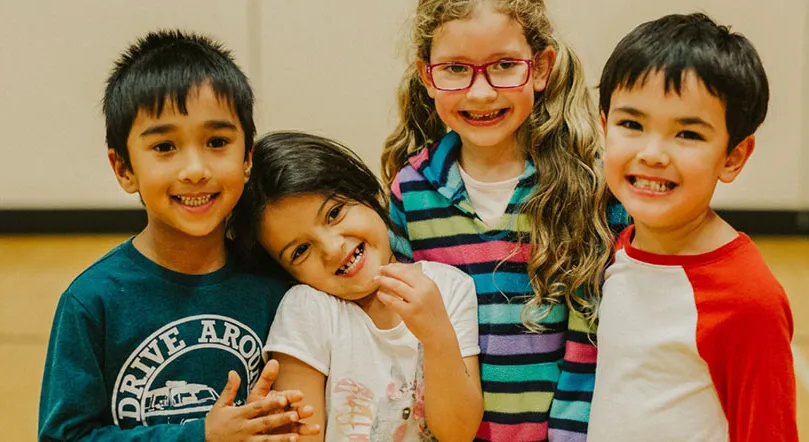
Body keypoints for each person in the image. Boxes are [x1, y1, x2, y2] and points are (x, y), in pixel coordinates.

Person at [38, 30, 318, 441]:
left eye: (217, 142)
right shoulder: (91, 302)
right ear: (124, 169)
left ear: (248, 157)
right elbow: (65, 437)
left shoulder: (278, 281)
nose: (195, 169)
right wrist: (200, 436)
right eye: (165, 147)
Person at [381, 1, 624, 440]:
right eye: (455, 68)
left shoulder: (583, 187)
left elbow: (589, 348)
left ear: (541, 67)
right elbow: (408, 342)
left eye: (505, 65)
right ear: (426, 75)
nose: (481, 93)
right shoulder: (410, 193)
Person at [587, 13, 797, 441]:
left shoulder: (746, 297)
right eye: (632, 124)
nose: (653, 153)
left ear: (733, 157)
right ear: (604, 127)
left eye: (687, 134)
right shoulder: (614, 248)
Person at [230, 131, 483, 441]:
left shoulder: (447, 287)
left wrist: (436, 334)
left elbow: (458, 433)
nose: (332, 249)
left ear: (367, 193)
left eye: (334, 213)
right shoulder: (307, 310)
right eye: (300, 251)